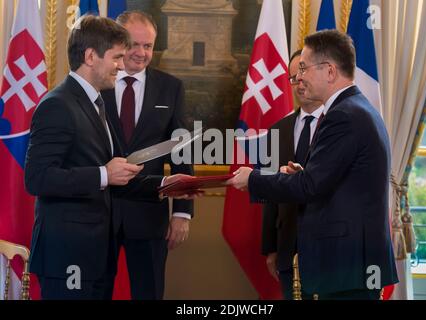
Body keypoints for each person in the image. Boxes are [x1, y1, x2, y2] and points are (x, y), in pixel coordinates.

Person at [24, 15, 195, 300]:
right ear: (91, 56)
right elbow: (37, 178)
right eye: (117, 56)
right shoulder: (58, 105)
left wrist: (167, 182)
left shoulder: (94, 102)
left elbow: (118, 172)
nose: (122, 63)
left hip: (91, 248)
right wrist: (103, 174)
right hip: (69, 251)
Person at [229, 30, 398, 300]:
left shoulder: (344, 115)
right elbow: (331, 179)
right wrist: (305, 174)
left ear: (330, 71)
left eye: (304, 68)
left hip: (347, 264)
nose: (298, 77)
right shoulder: (355, 108)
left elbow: (310, 186)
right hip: (352, 264)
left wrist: (253, 179)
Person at [101, 11, 193, 300]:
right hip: (99, 212)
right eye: (133, 44)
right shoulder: (95, 85)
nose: (141, 53)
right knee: (95, 291)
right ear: (117, 42)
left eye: (148, 46)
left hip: (149, 214)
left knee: (149, 293)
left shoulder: (170, 88)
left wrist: (182, 211)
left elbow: (181, 151)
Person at [262, 49, 323, 300]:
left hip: (328, 246)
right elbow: (270, 191)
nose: (298, 84)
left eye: (303, 76)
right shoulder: (279, 129)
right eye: (292, 79)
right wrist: (270, 248)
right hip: (287, 247)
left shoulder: (340, 124)